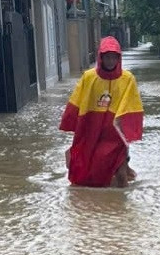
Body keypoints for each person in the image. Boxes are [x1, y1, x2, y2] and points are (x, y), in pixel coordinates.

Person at [60, 36, 143, 187]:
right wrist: (71, 122)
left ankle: (121, 205)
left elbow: (132, 105)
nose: (110, 61)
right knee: (90, 164)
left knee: (121, 174)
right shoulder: (89, 77)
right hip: (94, 131)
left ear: (118, 58)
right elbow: (77, 100)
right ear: (101, 57)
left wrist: (129, 129)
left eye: (113, 57)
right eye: (107, 57)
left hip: (116, 134)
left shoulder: (127, 79)